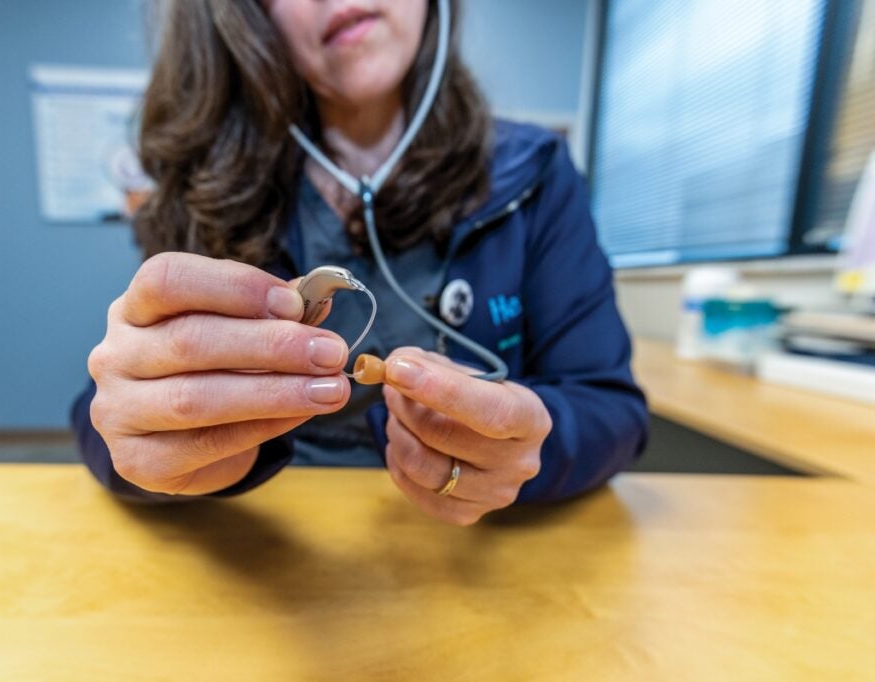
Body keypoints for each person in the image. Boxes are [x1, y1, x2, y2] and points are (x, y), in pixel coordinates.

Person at [71, 0, 649, 525]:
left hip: (474, 554)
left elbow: (610, 410)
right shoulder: (203, 187)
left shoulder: (537, 175)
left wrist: (527, 448)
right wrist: (173, 448)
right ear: (248, 17)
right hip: (268, 539)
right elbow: (111, 405)